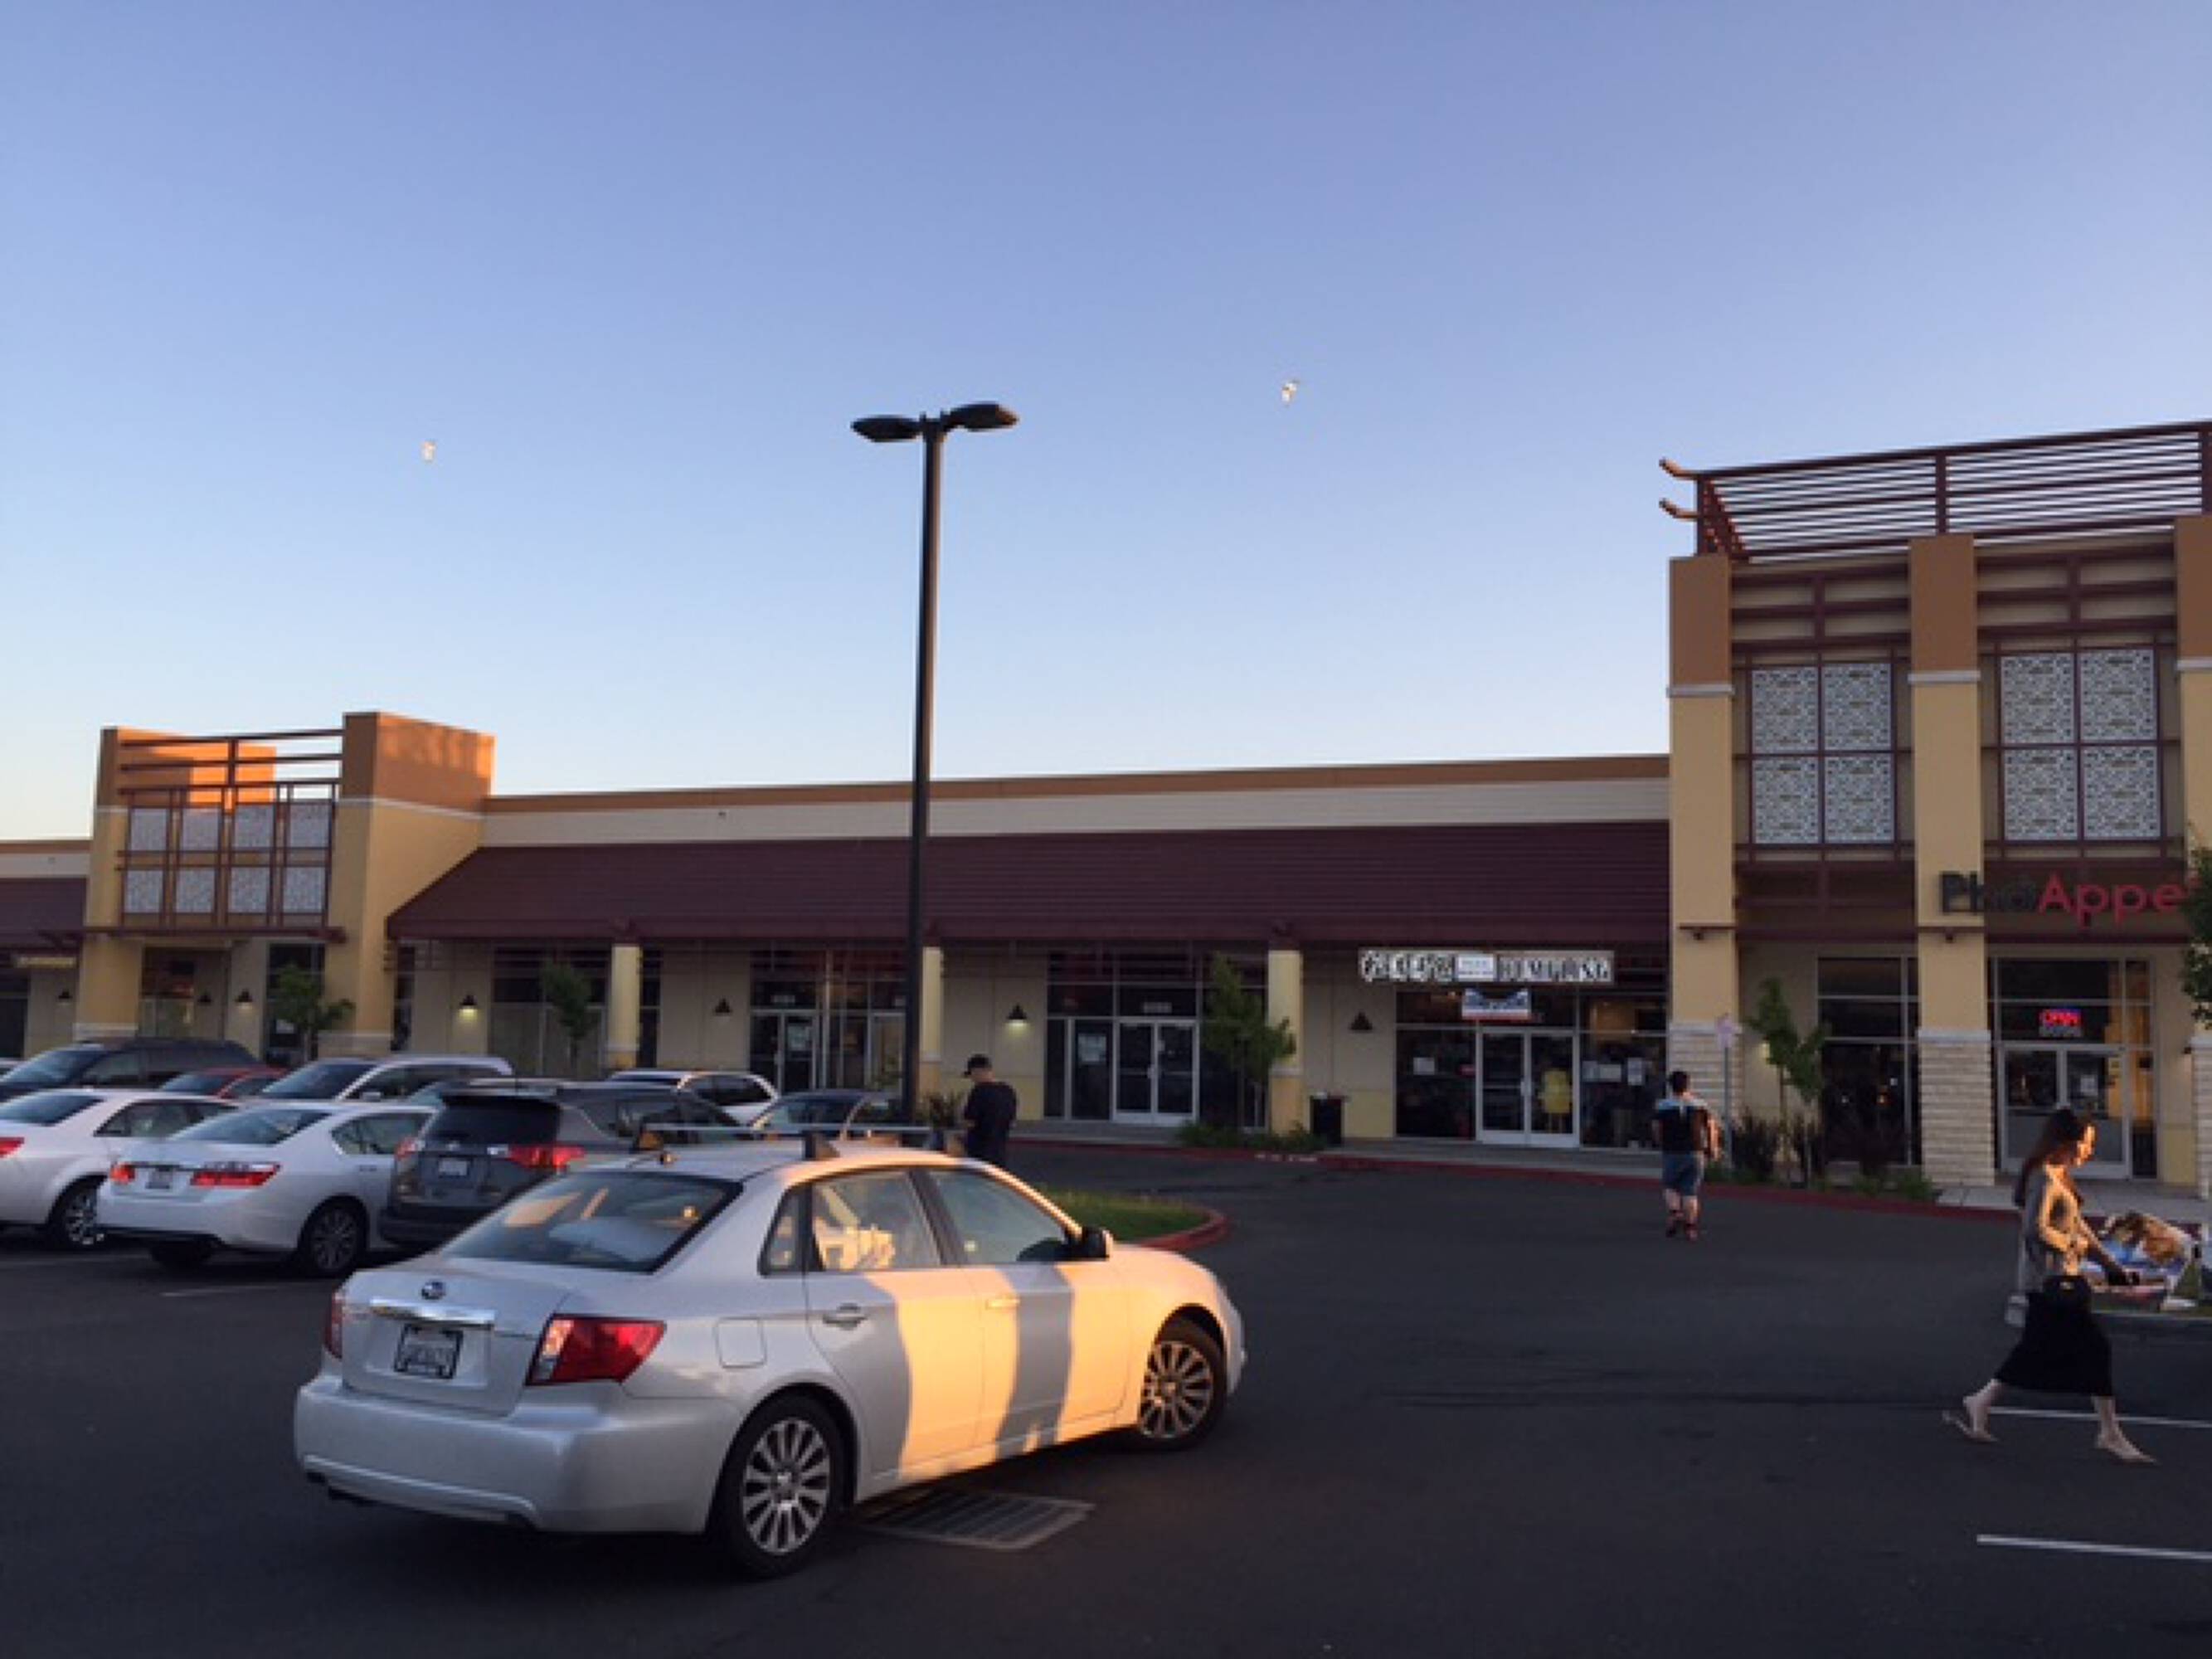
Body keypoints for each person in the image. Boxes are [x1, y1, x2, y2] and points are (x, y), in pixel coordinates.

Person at [1945, 1109, 2153, 1465]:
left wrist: (2112, 1266)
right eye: (2086, 1143)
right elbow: (2035, 1230)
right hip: (2050, 1283)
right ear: (2067, 1141)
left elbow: (2079, 1227)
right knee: (2093, 1347)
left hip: (2059, 1280)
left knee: (2036, 1348)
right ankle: (2110, 1433)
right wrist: (2073, 1246)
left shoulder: (2060, 1177)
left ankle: (1981, 1401)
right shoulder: (2044, 1178)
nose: (2090, 1151)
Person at [1650, 1069, 1719, 1241]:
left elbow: (1657, 1128)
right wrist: (1712, 1147)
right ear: (1688, 1085)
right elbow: (1711, 1127)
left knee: (1670, 1186)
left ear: (1670, 1086)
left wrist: (1660, 1143)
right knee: (1690, 1192)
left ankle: (1675, 1212)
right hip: (1695, 1152)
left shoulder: (1663, 1106)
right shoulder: (1700, 1105)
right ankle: (1690, 1227)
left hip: (1672, 1151)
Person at [960, 1053, 1018, 1169]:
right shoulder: (1008, 1091)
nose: (972, 1079)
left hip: (979, 1151)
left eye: (971, 1075)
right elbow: (1012, 1123)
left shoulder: (980, 1091)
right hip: (999, 1152)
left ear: (977, 1071)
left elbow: (969, 1122)